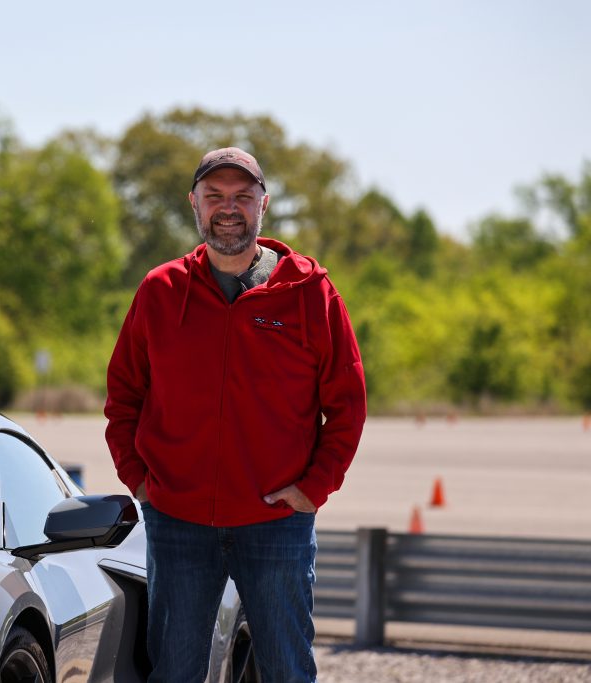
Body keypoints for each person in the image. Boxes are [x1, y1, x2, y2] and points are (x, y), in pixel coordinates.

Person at [104, 147, 366, 682]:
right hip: (178, 523)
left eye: (242, 197)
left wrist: (314, 488)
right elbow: (124, 396)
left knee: (287, 671)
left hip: (276, 524)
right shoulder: (159, 291)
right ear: (194, 204)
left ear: (263, 205)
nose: (229, 208)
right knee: (174, 672)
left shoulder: (309, 294)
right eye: (215, 196)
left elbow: (348, 404)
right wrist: (141, 481)